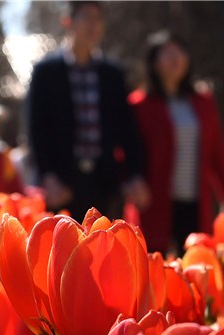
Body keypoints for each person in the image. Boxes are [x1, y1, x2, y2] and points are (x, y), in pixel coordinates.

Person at [27, 1, 147, 223]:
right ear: (68, 21)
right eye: (87, 17)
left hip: (104, 182)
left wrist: (135, 175)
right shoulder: (46, 72)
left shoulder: (113, 75)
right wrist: (48, 176)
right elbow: (37, 129)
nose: (93, 25)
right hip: (61, 185)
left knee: (102, 249)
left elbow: (126, 130)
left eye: (98, 19)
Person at [129, 30, 224, 254]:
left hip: (195, 199)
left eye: (180, 53)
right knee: (153, 263)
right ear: (154, 63)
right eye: (168, 54)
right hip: (155, 201)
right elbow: (129, 152)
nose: (175, 59)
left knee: (193, 264)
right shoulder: (139, 105)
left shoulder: (203, 102)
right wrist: (133, 182)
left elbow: (217, 151)